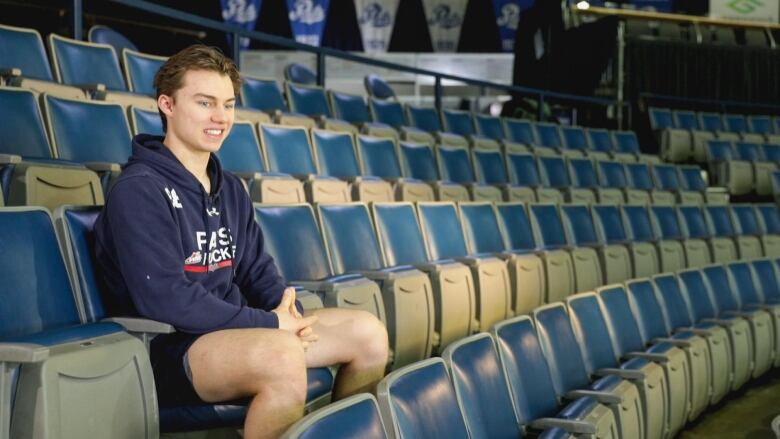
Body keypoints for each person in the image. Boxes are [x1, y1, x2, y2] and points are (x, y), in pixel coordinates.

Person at [94, 45, 389, 439]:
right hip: (169, 348)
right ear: (167, 104)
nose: (220, 117)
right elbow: (166, 299)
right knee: (281, 357)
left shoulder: (228, 187)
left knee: (368, 334)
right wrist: (270, 324)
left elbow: (255, 269)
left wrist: (291, 316)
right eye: (205, 103)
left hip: (237, 332)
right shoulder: (138, 190)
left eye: (229, 104)